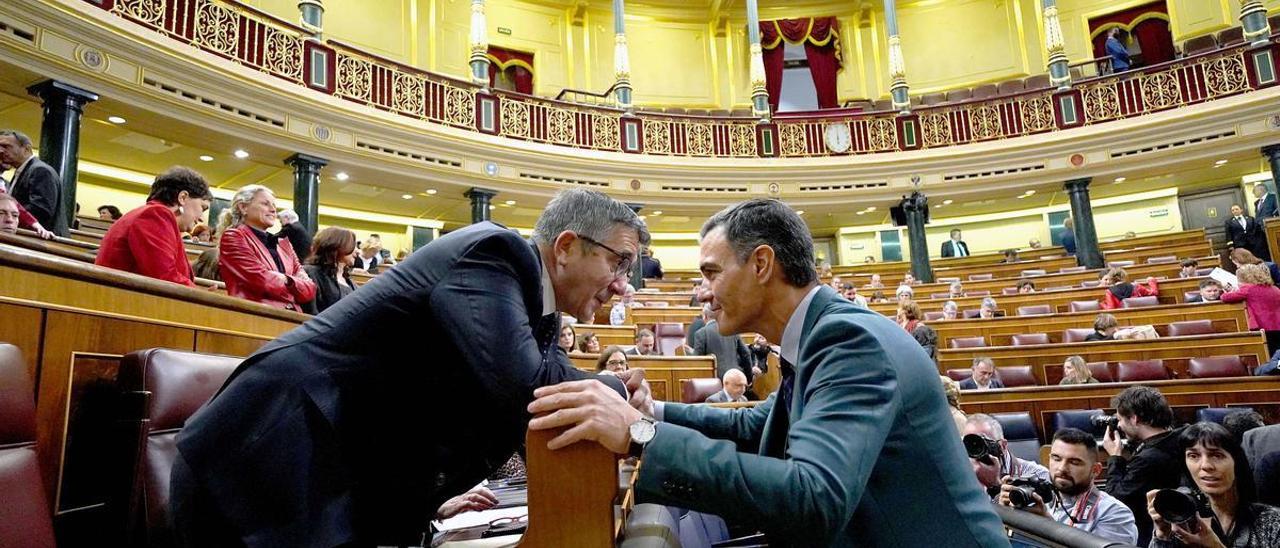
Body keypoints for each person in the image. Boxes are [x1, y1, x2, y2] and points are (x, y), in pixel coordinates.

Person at [172, 188, 649, 546]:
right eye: (620, 264)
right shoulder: (496, 255)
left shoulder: (539, 313)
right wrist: (616, 392)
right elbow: (525, 388)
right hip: (268, 453)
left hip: (327, 475)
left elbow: (546, 398)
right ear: (566, 246)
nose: (624, 287)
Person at [526, 198, 1007, 546]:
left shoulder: (848, 341)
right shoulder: (823, 331)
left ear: (761, 264)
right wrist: (653, 410)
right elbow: (761, 425)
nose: (701, 292)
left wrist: (639, 433)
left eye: (711, 273)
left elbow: (814, 498)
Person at [1148, 422, 1280, 548]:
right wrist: (1162, 535)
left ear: (1236, 463)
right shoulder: (1183, 518)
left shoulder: (1272, 522)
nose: (1205, 466)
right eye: (1193, 455)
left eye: (1216, 455)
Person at [997, 428, 1138, 545]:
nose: (1062, 468)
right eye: (1056, 459)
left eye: (1074, 462)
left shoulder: (1115, 513)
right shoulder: (1034, 497)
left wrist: (1045, 525)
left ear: (1095, 470)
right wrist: (1006, 516)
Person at [94, 167, 212, 287]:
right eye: (202, 208)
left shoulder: (149, 213)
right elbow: (164, 278)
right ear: (183, 198)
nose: (201, 218)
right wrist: (200, 295)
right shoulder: (155, 215)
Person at [1102, 385, 1184, 547]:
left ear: (1134, 418)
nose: (1119, 426)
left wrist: (1114, 457)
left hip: (1153, 535)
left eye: (1119, 419)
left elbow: (1115, 500)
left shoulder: (1147, 459)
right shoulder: (1181, 439)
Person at [215, 185, 316, 311]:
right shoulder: (234, 236)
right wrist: (292, 282)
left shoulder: (284, 244)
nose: (273, 210)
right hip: (255, 316)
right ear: (243, 207)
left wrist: (285, 280)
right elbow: (262, 280)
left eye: (274, 205)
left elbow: (310, 289)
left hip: (292, 318)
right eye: (265, 204)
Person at [965, 413, 1051, 496]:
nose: (975, 450)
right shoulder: (962, 476)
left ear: (1003, 445)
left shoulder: (1038, 475)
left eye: (982, 443)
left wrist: (994, 485)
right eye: (969, 444)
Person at [0, 130, 63, 234]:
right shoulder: (23, 171)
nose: (1, 151)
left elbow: (41, 210)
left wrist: (7, 214)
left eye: (6, 146)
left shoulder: (40, 170)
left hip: (43, 241)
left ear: (27, 149)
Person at [1221, 263, 1280, 353]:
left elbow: (1225, 297)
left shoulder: (1249, 288)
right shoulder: (1274, 288)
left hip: (1264, 325)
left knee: (1271, 353)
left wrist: (1229, 291)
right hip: (1277, 323)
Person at [301, 226, 357, 314]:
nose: (357, 251)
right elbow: (310, 312)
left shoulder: (351, 283)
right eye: (353, 246)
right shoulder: (310, 273)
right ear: (338, 245)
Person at [692, 310, 753, 381]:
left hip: (714, 380)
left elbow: (697, 360)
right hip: (735, 376)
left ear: (705, 316)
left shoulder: (701, 333)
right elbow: (746, 353)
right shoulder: (731, 329)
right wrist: (749, 378)